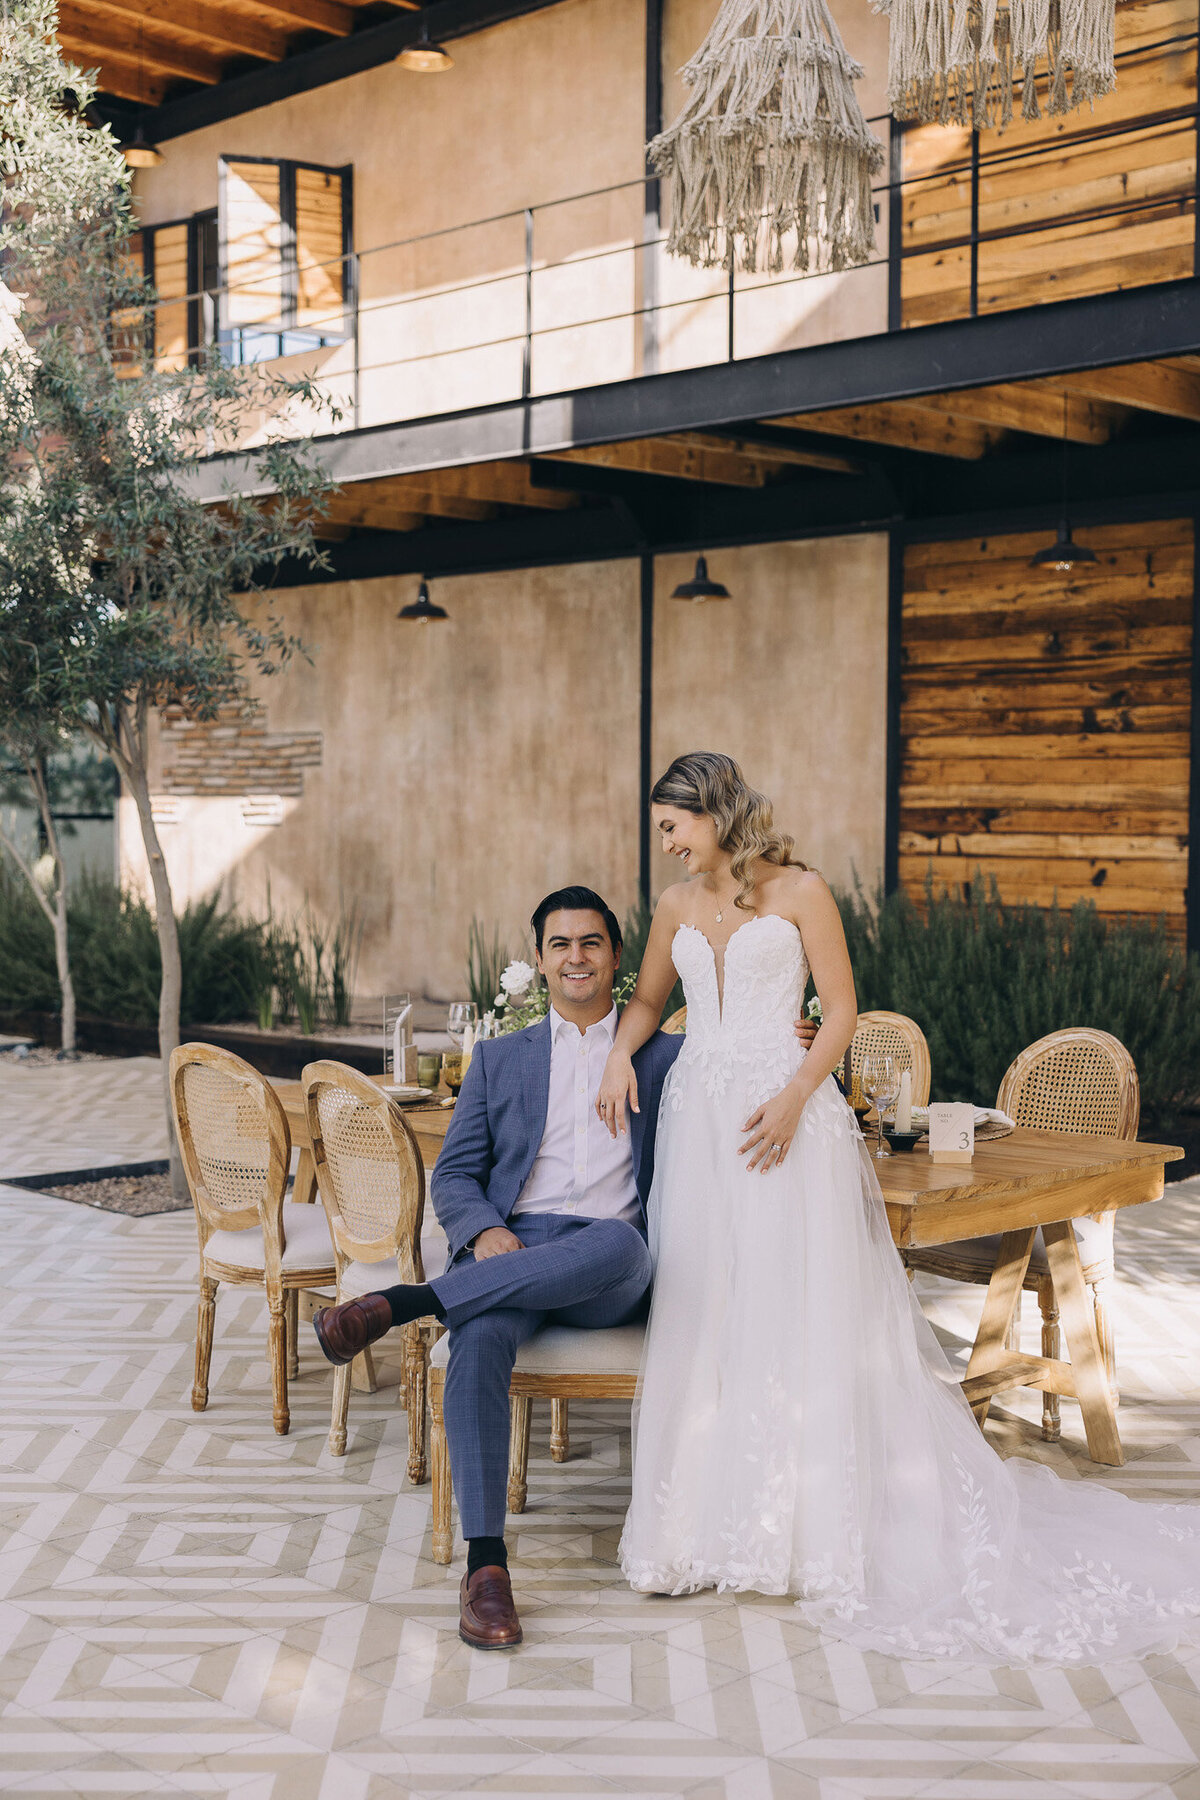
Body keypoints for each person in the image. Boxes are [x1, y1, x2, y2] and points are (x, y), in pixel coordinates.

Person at [597, 749, 1200, 1666]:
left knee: (793, 1305)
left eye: (674, 824)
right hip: (697, 1122)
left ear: (716, 812)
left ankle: (807, 1527)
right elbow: (648, 1000)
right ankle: (702, 1526)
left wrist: (801, 1092)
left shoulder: (800, 892)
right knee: (708, 1307)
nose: (667, 843)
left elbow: (839, 1011)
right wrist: (614, 1054)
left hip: (783, 1115)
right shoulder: (676, 909)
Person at [312, 882, 817, 1649]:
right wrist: (482, 1231)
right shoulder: (498, 1059)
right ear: (540, 962)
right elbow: (455, 1175)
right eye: (559, 945)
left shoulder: (670, 1055)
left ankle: (405, 1303)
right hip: (510, 1252)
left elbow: (755, 1075)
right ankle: (485, 1571)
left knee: (618, 1243)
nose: (575, 957)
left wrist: (798, 1045)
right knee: (478, 1341)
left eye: (591, 943)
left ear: (617, 958)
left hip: (611, 1270)